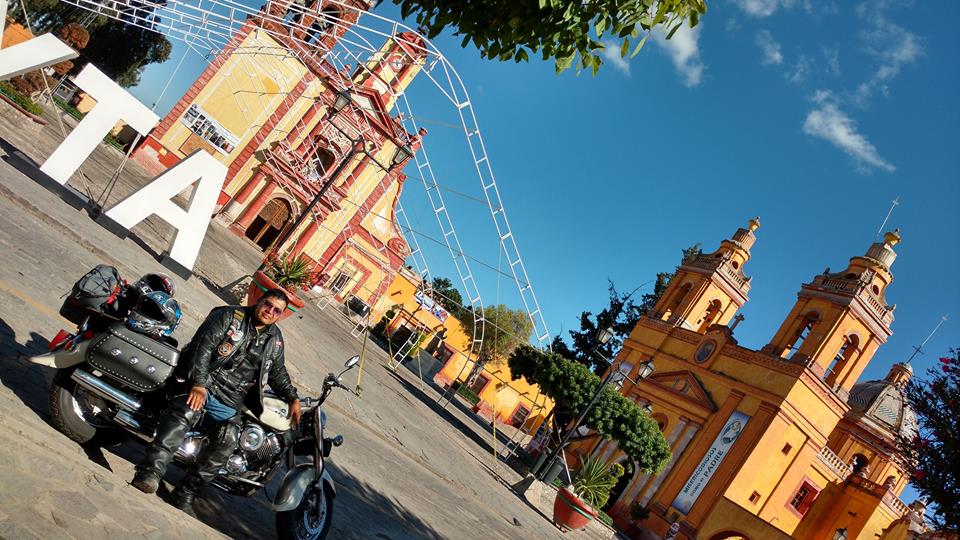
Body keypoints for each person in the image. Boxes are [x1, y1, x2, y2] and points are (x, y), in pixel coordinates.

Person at [131, 288, 302, 510]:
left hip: (230, 398)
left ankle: (186, 491)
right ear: (258, 301)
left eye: (276, 310)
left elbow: (277, 372)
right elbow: (202, 348)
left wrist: (293, 398)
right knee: (185, 413)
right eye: (267, 304)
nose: (269, 311)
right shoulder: (229, 316)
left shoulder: (274, 339)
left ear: (280, 315)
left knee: (229, 439)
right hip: (201, 382)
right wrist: (200, 384)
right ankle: (150, 473)